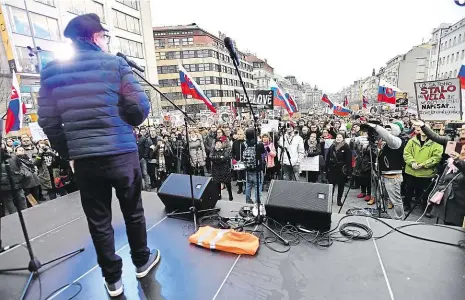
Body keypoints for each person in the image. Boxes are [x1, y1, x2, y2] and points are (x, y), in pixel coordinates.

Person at [37, 14, 159, 297]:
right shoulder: (115, 64)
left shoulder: (52, 71)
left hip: (85, 161)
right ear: (94, 37)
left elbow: (48, 121)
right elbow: (139, 109)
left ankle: (113, 281)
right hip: (122, 155)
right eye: (103, 36)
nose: (105, 41)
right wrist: (124, 118)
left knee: (99, 220)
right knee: (133, 211)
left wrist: (69, 152)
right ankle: (142, 261)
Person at [403, 124, 443, 216]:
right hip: (411, 171)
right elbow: (406, 153)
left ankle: (426, 208)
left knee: (426, 192)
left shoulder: (436, 143)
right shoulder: (412, 141)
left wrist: (423, 165)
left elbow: (436, 157)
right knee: (408, 189)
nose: (422, 130)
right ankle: (406, 204)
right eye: (420, 128)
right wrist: (412, 162)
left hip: (426, 173)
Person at [431, 148, 465, 226]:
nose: (462, 151)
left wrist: (458, 160)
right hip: (447, 200)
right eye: (462, 149)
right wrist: (433, 196)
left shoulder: (459, 163)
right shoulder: (450, 163)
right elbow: (441, 180)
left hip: (460, 203)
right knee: (446, 226)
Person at [325, 133, 352, 206]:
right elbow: (328, 157)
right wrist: (326, 167)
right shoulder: (332, 146)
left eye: (340, 137)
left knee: (341, 185)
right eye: (337, 137)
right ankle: (330, 199)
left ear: (343, 138)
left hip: (341, 169)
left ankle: (339, 199)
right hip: (332, 168)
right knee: (331, 185)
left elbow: (349, 160)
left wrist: (349, 171)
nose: (338, 138)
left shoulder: (346, 147)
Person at [0, 145, 28, 215]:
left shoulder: (13, 156)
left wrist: (21, 173)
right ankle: (14, 215)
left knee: (21, 197)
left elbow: (20, 166)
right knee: (9, 200)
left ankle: (25, 212)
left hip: (16, 180)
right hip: (4, 183)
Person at [243, 128, 266, 204]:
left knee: (248, 185)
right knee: (258, 186)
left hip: (248, 169)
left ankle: (248, 200)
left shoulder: (244, 144)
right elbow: (264, 154)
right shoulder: (259, 144)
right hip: (258, 169)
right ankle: (257, 202)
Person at [231, 129, 247, 194]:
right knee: (239, 176)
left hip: (245, 162)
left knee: (245, 176)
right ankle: (240, 188)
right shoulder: (235, 143)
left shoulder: (246, 142)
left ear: (243, 135)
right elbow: (232, 152)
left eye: (241, 134)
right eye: (238, 134)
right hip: (237, 161)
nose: (239, 136)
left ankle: (246, 189)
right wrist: (233, 159)